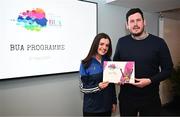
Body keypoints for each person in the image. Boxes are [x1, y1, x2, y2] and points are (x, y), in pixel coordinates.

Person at [113, 8, 173, 116]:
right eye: (132, 21)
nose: (135, 24)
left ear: (144, 22)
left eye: (138, 20)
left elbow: (168, 69)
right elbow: (115, 65)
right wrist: (116, 77)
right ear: (127, 25)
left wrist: (150, 80)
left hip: (151, 99)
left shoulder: (159, 42)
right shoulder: (122, 42)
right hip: (127, 99)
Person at [79, 33, 117, 116]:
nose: (104, 47)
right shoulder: (85, 63)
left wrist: (114, 101)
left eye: (107, 45)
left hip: (107, 107)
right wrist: (98, 87)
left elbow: (111, 85)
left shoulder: (109, 62)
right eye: (101, 44)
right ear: (96, 44)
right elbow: (83, 88)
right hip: (92, 109)